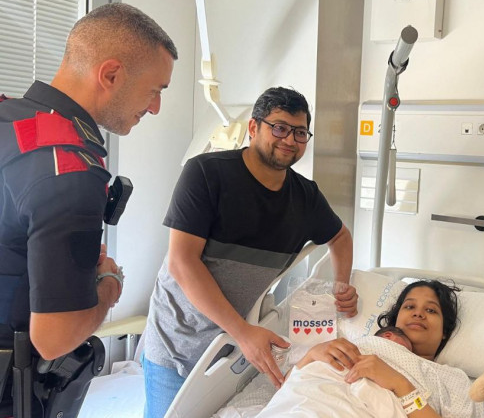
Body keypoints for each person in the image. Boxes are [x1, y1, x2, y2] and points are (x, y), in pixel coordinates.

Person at [141, 86, 359, 418]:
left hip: (234, 348)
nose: (290, 139)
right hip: (178, 344)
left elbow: (340, 237)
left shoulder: (305, 198)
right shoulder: (206, 174)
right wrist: (243, 333)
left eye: (300, 132)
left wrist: (340, 286)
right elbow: (182, 263)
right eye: (280, 127)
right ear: (253, 128)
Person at [0, 1, 176, 393]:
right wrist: (110, 286)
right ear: (111, 74)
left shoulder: (10, 120)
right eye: (154, 91)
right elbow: (54, 338)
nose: (155, 107)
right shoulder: (70, 172)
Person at [296, 280, 467, 417]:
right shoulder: (360, 343)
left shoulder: (453, 379)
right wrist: (310, 356)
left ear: (444, 331)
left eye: (430, 310)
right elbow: (288, 389)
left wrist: (400, 385)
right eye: (409, 306)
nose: (418, 313)